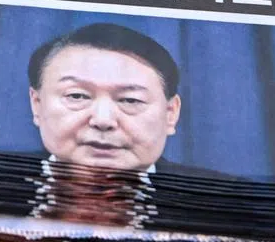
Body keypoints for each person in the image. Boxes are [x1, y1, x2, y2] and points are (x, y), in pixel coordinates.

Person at [27, 22, 181, 173]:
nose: (103, 120)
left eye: (130, 100)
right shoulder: (3, 180)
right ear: (37, 105)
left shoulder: (201, 193)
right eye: (77, 96)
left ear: (170, 114)